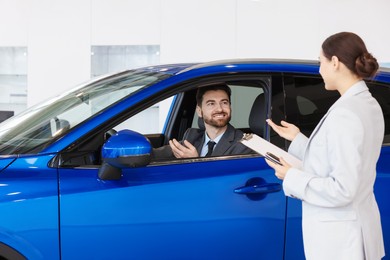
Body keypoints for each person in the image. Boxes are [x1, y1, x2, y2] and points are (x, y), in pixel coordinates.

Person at [265, 32, 385, 260]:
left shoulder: (345, 113)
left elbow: (342, 189)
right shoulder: (368, 104)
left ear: (335, 62)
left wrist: (291, 176)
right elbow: (338, 157)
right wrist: (298, 139)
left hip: (341, 241)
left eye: (321, 62)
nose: (319, 70)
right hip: (354, 231)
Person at [153, 83, 253, 159]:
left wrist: (195, 161)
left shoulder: (244, 144)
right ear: (199, 111)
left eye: (224, 102)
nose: (219, 109)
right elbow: (155, 155)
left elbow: (227, 183)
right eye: (211, 104)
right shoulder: (192, 137)